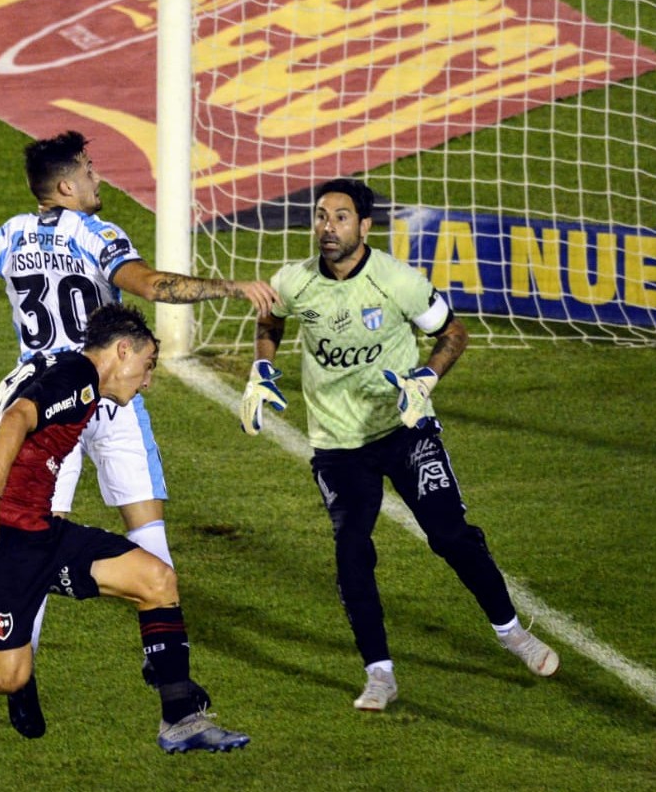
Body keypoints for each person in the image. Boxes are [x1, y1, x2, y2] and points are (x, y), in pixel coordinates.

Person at [0, 130, 277, 735]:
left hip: (68, 389)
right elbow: (151, 285)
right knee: (96, 540)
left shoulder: (10, 235)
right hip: (81, 397)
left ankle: (161, 702)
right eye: (89, 171)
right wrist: (230, 288)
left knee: (95, 556)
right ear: (66, 187)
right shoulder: (98, 234)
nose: (97, 178)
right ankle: (32, 680)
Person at [238, 178, 559, 712]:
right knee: (351, 551)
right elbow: (271, 317)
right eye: (321, 216)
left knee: (451, 535)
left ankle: (512, 633)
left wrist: (426, 379)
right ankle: (379, 673)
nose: (327, 227)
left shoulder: (397, 281)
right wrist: (261, 366)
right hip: (338, 444)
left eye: (341, 217)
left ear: (365, 226)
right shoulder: (294, 281)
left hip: (405, 428)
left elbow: (453, 333)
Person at [0, 303, 248, 753]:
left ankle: (179, 719)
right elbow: (17, 417)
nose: (147, 380)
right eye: (147, 366)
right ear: (123, 350)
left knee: (157, 579)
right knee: (6, 675)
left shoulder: (57, 365)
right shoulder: (78, 377)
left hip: (43, 534)